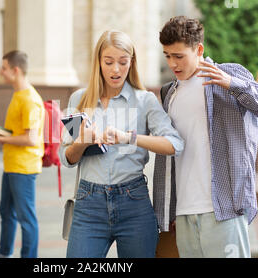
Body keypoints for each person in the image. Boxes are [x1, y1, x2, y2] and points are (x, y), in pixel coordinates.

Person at [154, 16, 258, 258]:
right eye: (167, 56)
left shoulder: (228, 74)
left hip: (224, 209)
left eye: (179, 56)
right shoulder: (169, 92)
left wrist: (233, 85)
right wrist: (172, 210)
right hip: (185, 213)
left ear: (199, 50)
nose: (173, 64)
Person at [59, 30, 184, 258]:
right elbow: (66, 159)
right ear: (98, 62)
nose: (115, 69)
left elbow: (174, 144)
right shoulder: (79, 99)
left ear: (131, 63)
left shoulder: (144, 100)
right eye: (108, 62)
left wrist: (129, 137)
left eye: (122, 62)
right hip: (88, 204)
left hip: (133, 203)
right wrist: (82, 142)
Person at [0, 50, 45, 258]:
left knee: (26, 218)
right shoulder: (18, 95)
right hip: (12, 165)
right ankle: (4, 253)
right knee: (6, 213)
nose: (1, 72)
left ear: (15, 70)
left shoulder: (30, 99)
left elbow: (31, 138)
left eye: (4, 68)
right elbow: (18, 132)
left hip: (24, 167)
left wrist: (2, 139)